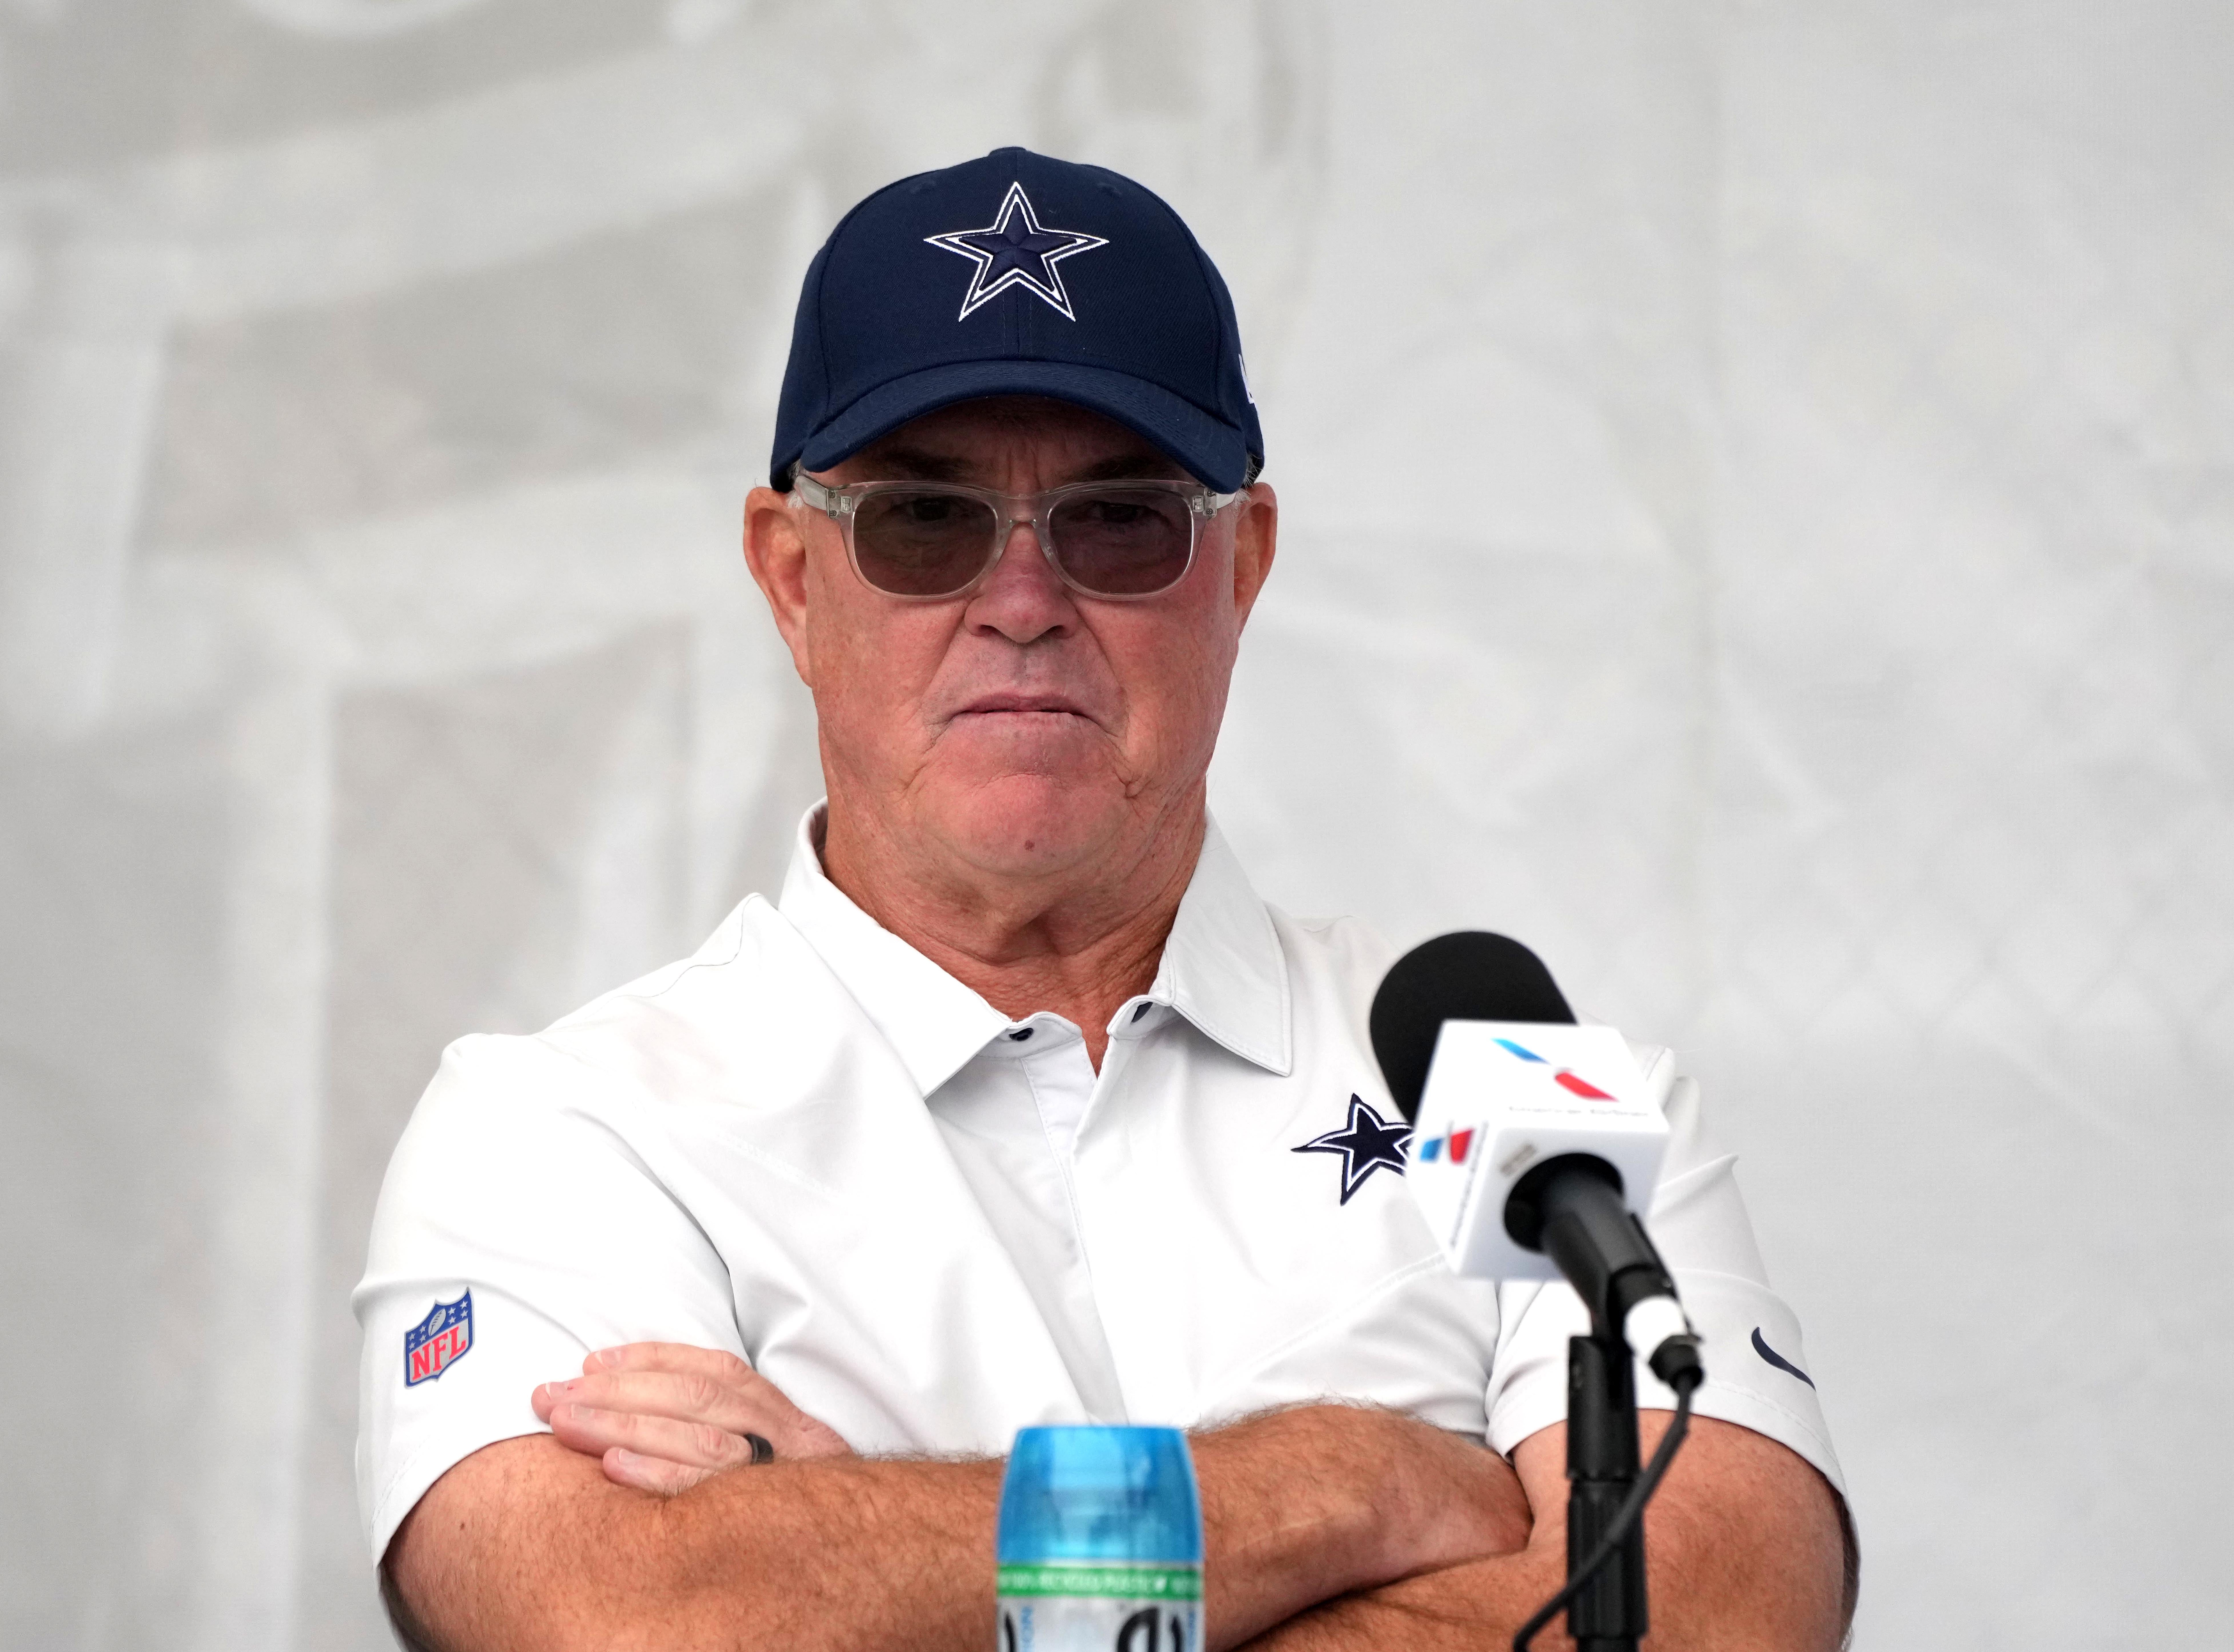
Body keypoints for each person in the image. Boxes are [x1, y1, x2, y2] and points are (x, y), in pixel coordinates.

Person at [355, 147, 1853, 1650]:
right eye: (924, 522)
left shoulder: (1508, 1069)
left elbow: (1725, 1614)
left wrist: (863, 1555)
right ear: (794, 580)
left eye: (1121, 521)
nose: (1023, 603)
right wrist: (1361, 1484)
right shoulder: (565, 1128)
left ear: (1241, 566)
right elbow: (617, 1618)